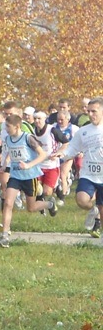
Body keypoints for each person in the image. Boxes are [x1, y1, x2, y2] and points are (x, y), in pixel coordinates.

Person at [0, 114, 56, 247]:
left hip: (30, 176)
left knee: (31, 207)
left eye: (8, 126)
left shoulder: (28, 138)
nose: (6, 128)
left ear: (17, 127)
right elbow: (9, 153)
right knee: (8, 203)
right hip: (15, 175)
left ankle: (50, 205)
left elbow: (43, 154)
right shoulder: (8, 138)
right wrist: (4, 165)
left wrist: (29, 165)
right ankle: (4, 235)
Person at [54, 98, 103, 239]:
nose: (91, 114)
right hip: (88, 174)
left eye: (94, 111)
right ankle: (93, 209)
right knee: (81, 200)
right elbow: (73, 148)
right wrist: (62, 155)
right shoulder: (83, 131)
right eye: (89, 111)